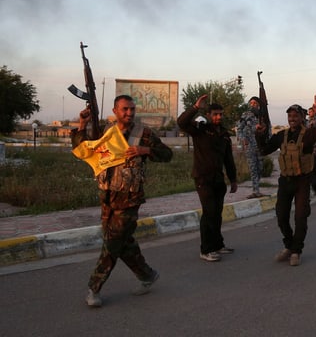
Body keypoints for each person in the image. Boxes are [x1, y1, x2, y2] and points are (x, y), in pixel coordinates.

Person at [72, 94, 173, 307]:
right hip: (108, 197)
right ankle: (147, 275)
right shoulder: (106, 132)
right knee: (122, 241)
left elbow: (167, 154)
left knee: (112, 243)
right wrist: (83, 123)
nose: (129, 113)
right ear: (115, 111)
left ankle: (94, 288)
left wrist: (145, 150)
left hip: (130, 198)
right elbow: (81, 149)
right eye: (125, 109)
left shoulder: (143, 133)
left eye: (132, 110)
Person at [257, 97, 316, 266]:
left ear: (302, 118)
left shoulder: (309, 134)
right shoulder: (282, 135)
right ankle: (289, 245)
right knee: (281, 216)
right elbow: (264, 149)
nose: (292, 119)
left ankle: (296, 250)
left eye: (296, 116)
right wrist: (259, 134)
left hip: (302, 181)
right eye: (290, 116)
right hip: (285, 181)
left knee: (300, 217)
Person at [177, 95, 238, 263]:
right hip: (202, 178)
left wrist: (233, 179)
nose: (218, 117)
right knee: (209, 212)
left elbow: (228, 159)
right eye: (215, 114)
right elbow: (181, 123)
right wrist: (195, 107)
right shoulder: (201, 129)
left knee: (217, 213)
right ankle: (206, 249)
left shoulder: (224, 134)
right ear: (209, 115)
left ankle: (218, 245)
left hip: (218, 179)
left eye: (220, 114)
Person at [236, 96, 266, 199]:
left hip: (261, 146)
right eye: (251, 103)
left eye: (255, 103)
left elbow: (269, 130)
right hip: (250, 145)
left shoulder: (263, 116)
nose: (252, 105)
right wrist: (242, 138)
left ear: (259, 105)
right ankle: (255, 191)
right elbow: (239, 129)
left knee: (260, 168)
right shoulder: (245, 115)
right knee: (253, 169)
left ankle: (257, 189)